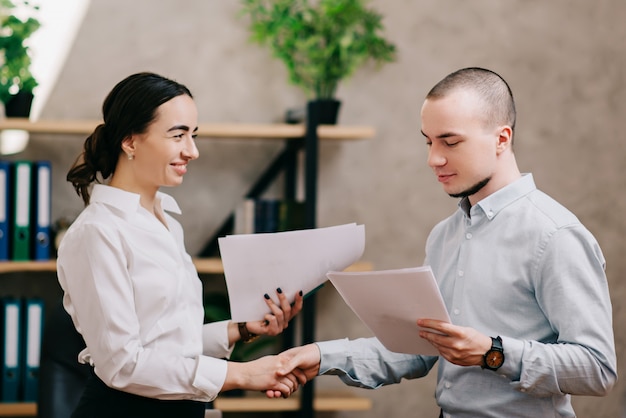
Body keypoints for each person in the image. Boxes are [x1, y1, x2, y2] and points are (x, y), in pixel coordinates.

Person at [276, 67, 617, 417]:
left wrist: (493, 352)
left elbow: (598, 369)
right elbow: (420, 347)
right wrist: (320, 356)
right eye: (429, 141)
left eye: (450, 142)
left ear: (502, 139)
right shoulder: (444, 235)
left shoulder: (555, 235)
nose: (433, 159)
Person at [57, 71, 304, 418]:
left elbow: (166, 340)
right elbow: (123, 364)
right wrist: (242, 374)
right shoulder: (97, 232)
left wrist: (242, 329)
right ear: (130, 141)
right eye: (178, 135)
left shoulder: (165, 220)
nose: (192, 151)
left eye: (194, 135)